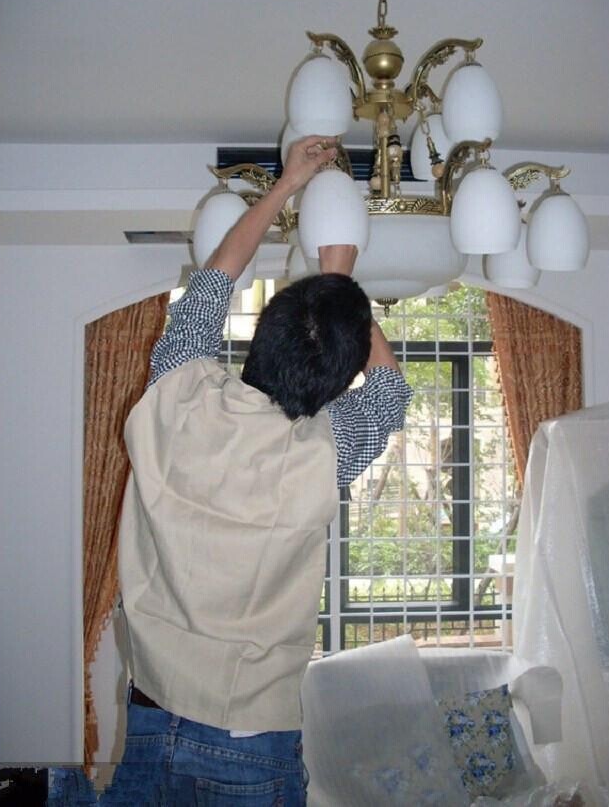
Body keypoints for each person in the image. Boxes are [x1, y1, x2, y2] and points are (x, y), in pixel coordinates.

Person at [102, 136, 413, 806]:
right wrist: (342, 282)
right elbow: (390, 391)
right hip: (250, 740)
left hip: (151, 712)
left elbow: (214, 280)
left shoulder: (178, 392)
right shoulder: (328, 447)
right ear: (336, 382)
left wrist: (285, 186)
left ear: (263, 333)